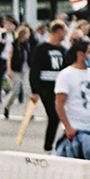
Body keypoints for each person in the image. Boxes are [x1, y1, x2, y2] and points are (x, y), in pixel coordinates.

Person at [29, 20, 68, 153]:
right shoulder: (41, 49)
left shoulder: (63, 50)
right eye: (64, 31)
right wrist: (35, 90)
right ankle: (48, 147)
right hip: (46, 87)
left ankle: (64, 144)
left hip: (61, 87)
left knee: (63, 116)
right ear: (58, 32)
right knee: (54, 116)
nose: (65, 34)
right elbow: (35, 70)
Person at [3, 25, 33, 119]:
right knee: (15, 90)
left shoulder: (28, 44)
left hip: (26, 68)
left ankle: (27, 112)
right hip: (15, 68)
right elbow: (9, 57)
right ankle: (7, 106)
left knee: (27, 90)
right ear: (23, 34)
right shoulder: (13, 44)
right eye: (27, 33)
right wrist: (8, 70)